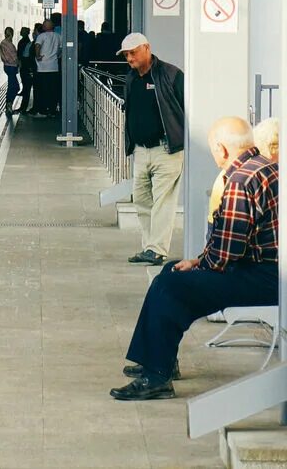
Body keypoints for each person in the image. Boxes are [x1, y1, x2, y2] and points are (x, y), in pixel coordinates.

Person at [111, 117, 277, 400]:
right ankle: (158, 360)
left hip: (263, 276)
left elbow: (226, 252)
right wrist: (197, 262)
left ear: (222, 149)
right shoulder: (267, 168)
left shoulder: (239, 180)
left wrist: (200, 264)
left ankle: (157, 376)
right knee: (171, 271)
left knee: (170, 285)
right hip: (272, 270)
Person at [120, 33, 185, 265]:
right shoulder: (130, 78)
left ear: (147, 48)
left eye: (133, 52)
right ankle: (150, 247)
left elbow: (186, 108)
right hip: (141, 150)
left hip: (166, 149)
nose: (129, 58)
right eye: (126, 54)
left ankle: (157, 249)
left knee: (163, 201)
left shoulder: (170, 74)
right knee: (142, 199)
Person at [33, 20, 60, 117]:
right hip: (54, 67)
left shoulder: (41, 36)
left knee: (43, 90)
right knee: (53, 90)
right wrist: (57, 56)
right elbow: (61, 49)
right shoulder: (58, 36)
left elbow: (37, 45)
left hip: (42, 68)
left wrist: (37, 56)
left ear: (45, 27)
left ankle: (43, 110)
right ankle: (52, 110)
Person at [17, 26, 37, 115]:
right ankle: (24, 107)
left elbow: (24, 56)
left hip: (27, 69)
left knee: (27, 89)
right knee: (27, 89)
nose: (20, 32)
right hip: (29, 69)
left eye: (22, 31)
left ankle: (23, 108)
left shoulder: (27, 43)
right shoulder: (29, 42)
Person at [0, 27, 19, 116]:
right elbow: (14, 57)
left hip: (7, 67)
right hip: (11, 67)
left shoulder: (3, 43)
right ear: (12, 34)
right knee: (15, 87)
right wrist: (19, 63)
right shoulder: (9, 44)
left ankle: (9, 105)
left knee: (12, 86)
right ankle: (9, 105)